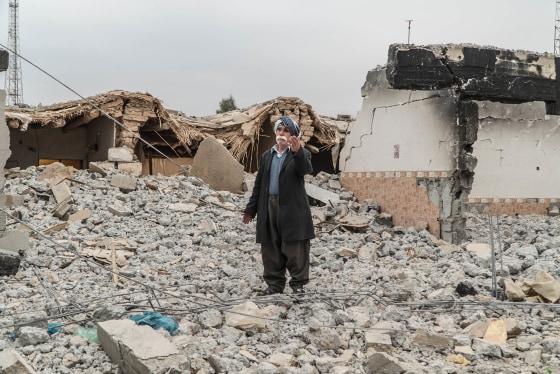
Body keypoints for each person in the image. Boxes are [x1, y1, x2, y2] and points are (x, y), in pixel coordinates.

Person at [242, 116, 315, 296]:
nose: (281, 134)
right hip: (268, 207)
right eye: (279, 130)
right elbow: (259, 184)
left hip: (292, 210)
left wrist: (297, 152)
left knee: (294, 247)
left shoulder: (301, 154)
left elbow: (305, 169)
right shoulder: (267, 156)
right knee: (271, 246)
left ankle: (297, 285)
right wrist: (250, 210)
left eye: (286, 131)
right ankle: (274, 286)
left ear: (293, 135)